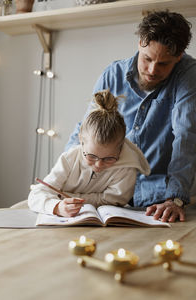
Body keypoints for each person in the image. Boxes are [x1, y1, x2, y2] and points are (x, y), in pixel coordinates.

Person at [65, 10, 196, 222]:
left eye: (164, 64)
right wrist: (62, 178)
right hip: (106, 191)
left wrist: (175, 198)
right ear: (140, 42)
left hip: (158, 199)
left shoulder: (189, 75)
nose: (152, 70)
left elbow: (187, 136)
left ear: (179, 56)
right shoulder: (112, 74)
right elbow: (86, 130)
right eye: (147, 58)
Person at [28, 90, 150, 217]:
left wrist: (66, 195)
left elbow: (115, 201)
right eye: (91, 156)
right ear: (81, 140)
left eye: (109, 158)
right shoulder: (69, 159)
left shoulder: (127, 168)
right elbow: (36, 195)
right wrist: (57, 207)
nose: (98, 164)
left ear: (121, 148)